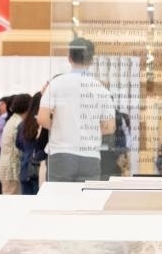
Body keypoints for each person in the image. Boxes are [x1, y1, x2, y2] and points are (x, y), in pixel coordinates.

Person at [37, 37, 116, 182]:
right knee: (86, 197)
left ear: (69, 57)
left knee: (59, 196)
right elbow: (110, 127)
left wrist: (61, 127)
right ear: (91, 60)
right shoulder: (101, 89)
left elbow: (42, 118)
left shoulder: (57, 83)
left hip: (61, 153)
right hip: (90, 156)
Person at [0, 93, 30, 195]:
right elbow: (18, 148)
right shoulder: (18, 122)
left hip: (7, 167)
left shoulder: (13, 120)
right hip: (11, 169)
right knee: (10, 199)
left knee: (9, 197)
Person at [15, 92, 46, 195]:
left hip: (25, 168)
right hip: (38, 169)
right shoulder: (44, 124)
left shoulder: (22, 124)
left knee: (26, 201)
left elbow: (18, 144)